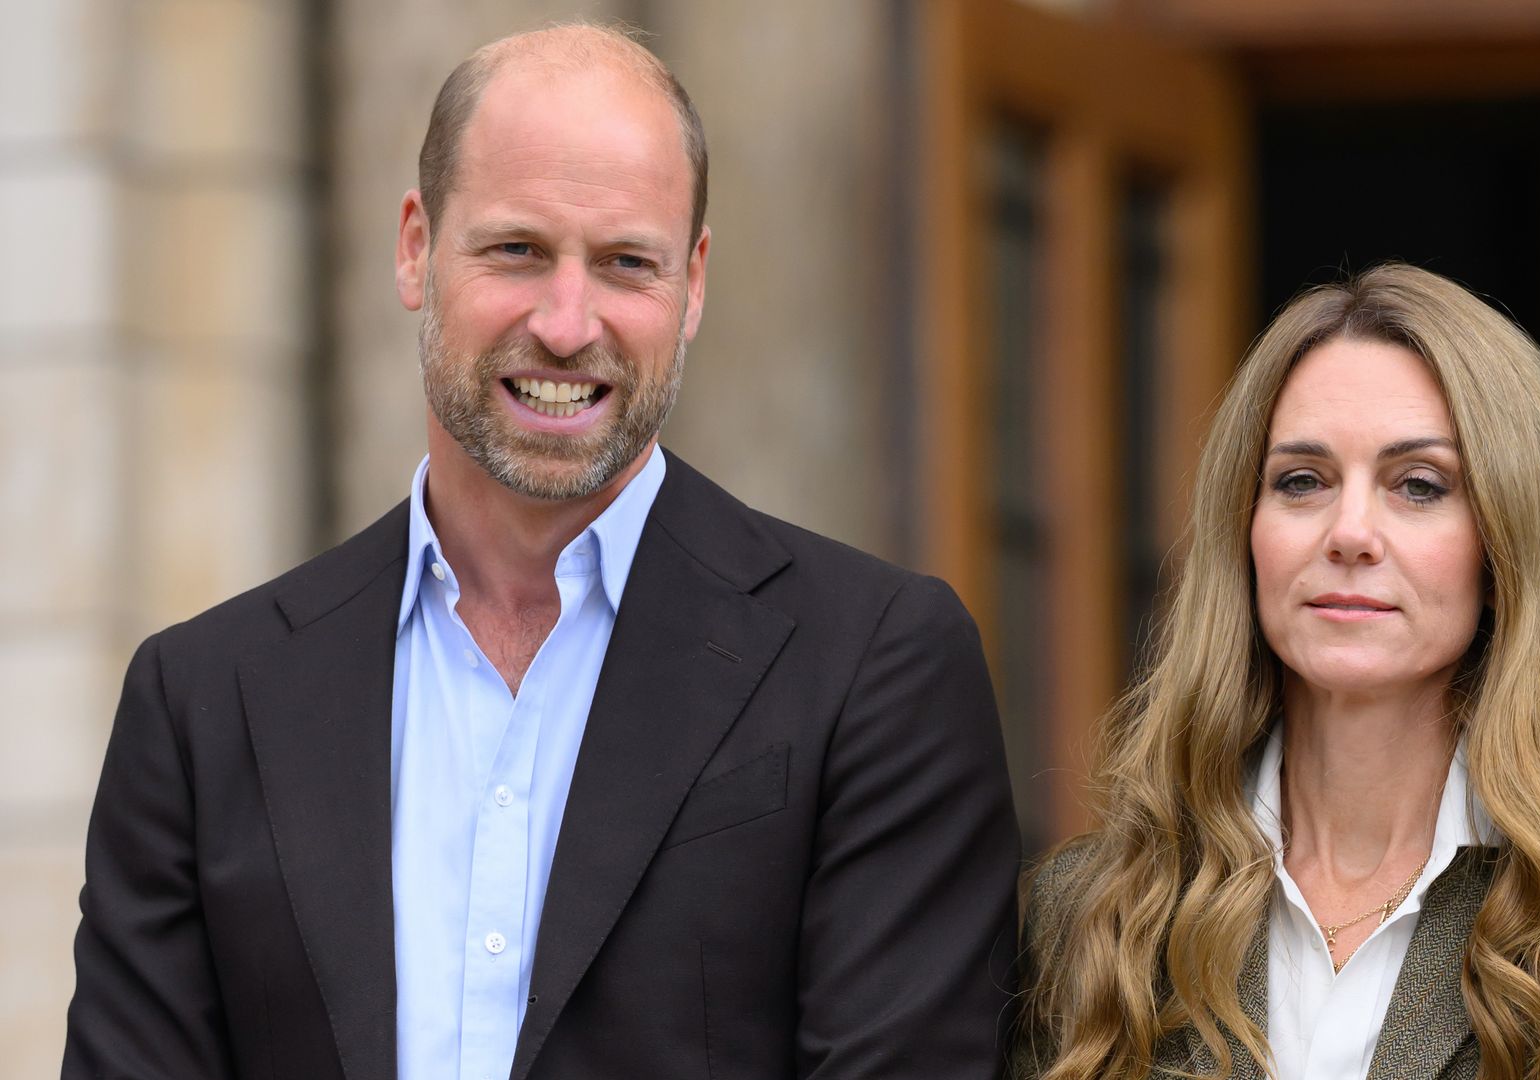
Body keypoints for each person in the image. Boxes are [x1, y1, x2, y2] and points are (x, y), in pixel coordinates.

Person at [65, 23, 1020, 1080]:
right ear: (415, 247)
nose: (569, 325)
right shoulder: (205, 697)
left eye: (625, 263)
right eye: (516, 250)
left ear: (693, 284)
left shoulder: (876, 666)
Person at [1015, 263, 1540, 1080]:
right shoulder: (1100, 911)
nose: (1349, 533)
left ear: (1504, 545)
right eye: (1301, 481)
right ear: (1246, 532)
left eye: (1419, 485)